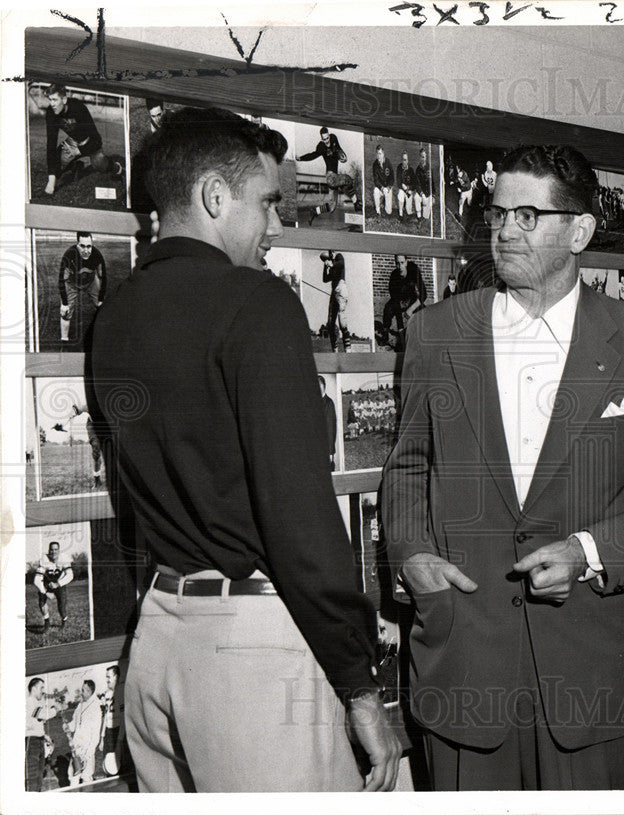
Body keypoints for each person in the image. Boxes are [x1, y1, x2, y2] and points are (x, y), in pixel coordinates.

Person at [88, 107, 399, 792]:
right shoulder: (256, 302)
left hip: (160, 639)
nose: (276, 227)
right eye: (267, 204)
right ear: (214, 197)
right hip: (250, 654)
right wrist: (360, 689)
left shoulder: (114, 317)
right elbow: (302, 523)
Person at [382, 144, 624, 790]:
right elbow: (408, 466)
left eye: (529, 215)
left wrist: (588, 551)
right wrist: (411, 554)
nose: (505, 230)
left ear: (579, 230)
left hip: (591, 675)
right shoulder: (436, 333)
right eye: (498, 214)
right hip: (464, 661)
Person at [29, 84, 123, 195]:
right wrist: (51, 181)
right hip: (73, 141)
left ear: (64, 99)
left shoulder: (78, 107)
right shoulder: (51, 112)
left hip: (89, 141)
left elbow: (96, 139)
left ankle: (117, 168)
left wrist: (80, 151)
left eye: (55, 100)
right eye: (50, 100)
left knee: (99, 165)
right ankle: (76, 166)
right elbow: (51, 144)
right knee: (56, 168)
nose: (52, 104)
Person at [297, 126, 355, 224]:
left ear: (329, 135)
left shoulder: (334, 138)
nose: (326, 141)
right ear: (321, 139)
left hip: (336, 177)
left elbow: (339, 150)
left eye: (327, 138)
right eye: (324, 139)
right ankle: (357, 203)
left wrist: (343, 157)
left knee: (332, 207)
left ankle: (314, 211)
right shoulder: (321, 147)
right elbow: (312, 155)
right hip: (330, 177)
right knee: (348, 179)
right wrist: (301, 158)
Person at [58, 232, 106, 346]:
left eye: (89, 246)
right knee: (65, 313)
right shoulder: (69, 255)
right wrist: (64, 303)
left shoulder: (97, 255)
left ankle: (104, 337)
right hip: (72, 283)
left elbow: (103, 277)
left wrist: (101, 298)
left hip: (90, 282)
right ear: (77, 245)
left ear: (92, 245)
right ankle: (64, 341)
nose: (86, 250)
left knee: (102, 308)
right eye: (82, 246)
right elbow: (61, 280)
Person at [33, 540, 74, 630]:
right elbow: (36, 580)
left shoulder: (64, 558)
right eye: (51, 550)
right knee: (42, 602)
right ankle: (47, 623)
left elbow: (70, 575)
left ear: (59, 550)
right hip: (47, 584)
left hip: (60, 583)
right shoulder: (44, 559)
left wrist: (58, 584)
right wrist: (45, 592)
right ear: (48, 551)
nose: (53, 552)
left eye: (56, 549)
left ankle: (64, 620)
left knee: (62, 607)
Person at [68, 680, 102, 784]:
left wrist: (88, 753)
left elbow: (96, 734)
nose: (81, 692)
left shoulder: (96, 707)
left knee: (86, 778)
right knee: (73, 777)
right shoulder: (80, 705)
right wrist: (67, 726)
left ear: (89, 691)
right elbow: (74, 725)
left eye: (83, 690)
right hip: (76, 747)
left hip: (87, 749)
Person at [26, 677, 53, 791]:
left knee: (39, 776)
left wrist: (44, 736)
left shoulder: (35, 702)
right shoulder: (29, 701)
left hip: (38, 740)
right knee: (32, 776)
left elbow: (35, 723)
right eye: (41, 688)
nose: (43, 690)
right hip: (31, 742)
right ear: (34, 688)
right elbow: (43, 715)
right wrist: (56, 709)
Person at [321, 250, 350, 352]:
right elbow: (325, 279)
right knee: (330, 322)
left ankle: (347, 348)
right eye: (330, 252)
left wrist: (331, 264)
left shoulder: (339, 257)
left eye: (332, 252)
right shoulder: (333, 266)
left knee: (342, 319)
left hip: (341, 289)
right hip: (334, 292)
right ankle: (335, 349)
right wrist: (325, 266)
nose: (331, 254)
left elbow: (341, 263)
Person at [98, 666, 123, 774]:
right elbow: (105, 717)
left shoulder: (122, 691)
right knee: (108, 767)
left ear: (116, 677)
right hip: (108, 732)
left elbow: (124, 718)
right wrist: (102, 738)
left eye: (109, 677)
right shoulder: (107, 693)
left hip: (119, 731)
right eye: (106, 677)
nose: (107, 680)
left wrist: (120, 739)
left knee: (120, 767)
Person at [319, 375, 338, 469]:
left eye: (320, 385)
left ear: (324, 386)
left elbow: (331, 429)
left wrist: (330, 452)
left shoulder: (328, 403)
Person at [371, 144, 394, 216]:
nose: (378, 156)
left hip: (387, 188)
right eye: (377, 153)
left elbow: (392, 177)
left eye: (380, 154)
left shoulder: (388, 162)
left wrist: (389, 187)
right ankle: (378, 211)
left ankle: (384, 201)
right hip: (380, 188)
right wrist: (381, 188)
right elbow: (376, 180)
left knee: (388, 212)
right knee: (375, 191)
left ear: (383, 154)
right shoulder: (375, 164)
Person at [413, 147, 434, 221]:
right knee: (416, 197)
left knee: (426, 216)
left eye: (424, 157)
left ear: (426, 157)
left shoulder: (429, 168)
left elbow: (432, 183)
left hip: (428, 193)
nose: (423, 159)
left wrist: (433, 195)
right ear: (419, 157)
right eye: (421, 157)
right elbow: (417, 184)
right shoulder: (418, 170)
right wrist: (422, 195)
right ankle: (418, 216)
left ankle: (425, 210)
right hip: (421, 193)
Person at [396, 151, 416, 218]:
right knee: (400, 194)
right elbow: (398, 182)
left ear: (407, 160)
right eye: (403, 160)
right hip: (402, 189)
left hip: (409, 191)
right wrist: (402, 187)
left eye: (405, 160)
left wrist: (408, 188)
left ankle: (407, 207)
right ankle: (400, 214)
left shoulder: (411, 170)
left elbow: (414, 184)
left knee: (409, 212)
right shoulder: (399, 168)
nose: (404, 162)